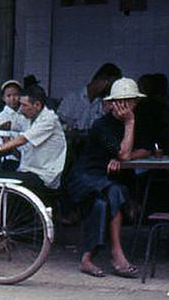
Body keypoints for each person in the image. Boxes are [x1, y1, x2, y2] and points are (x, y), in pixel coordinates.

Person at [64, 77, 149, 279]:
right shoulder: (101, 126)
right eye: (122, 101)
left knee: (102, 204)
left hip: (104, 180)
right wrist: (128, 127)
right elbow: (124, 154)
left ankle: (87, 259)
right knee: (115, 191)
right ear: (112, 104)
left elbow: (146, 150)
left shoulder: (137, 122)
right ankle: (117, 255)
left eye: (130, 102)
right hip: (85, 177)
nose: (126, 107)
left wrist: (125, 154)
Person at [0, 84, 67, 198]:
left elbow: (22, 139)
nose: (20, 109)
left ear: (37, 105)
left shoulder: (48, 120)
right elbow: (12, 124)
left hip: (42, 175)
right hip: (28, 170)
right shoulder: (30, 117)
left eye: (24, 105)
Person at [57, 62, 121, 132]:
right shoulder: (72, 98)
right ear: (103, 81)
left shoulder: (101, 105)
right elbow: (58, 123)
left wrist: (106, 113)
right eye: (110, 86)